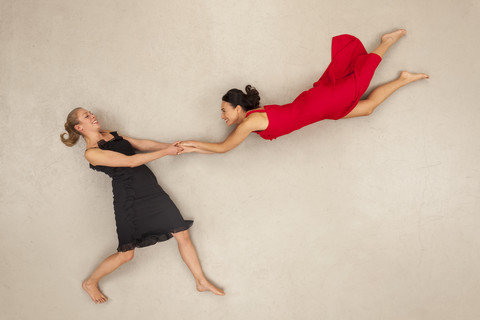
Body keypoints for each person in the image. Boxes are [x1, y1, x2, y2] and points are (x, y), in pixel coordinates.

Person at [60, 108, 225, 304]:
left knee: (181, 232)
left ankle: (201, 281)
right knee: (126, 254)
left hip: (151, 190)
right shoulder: (92, 153)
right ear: (79, 127)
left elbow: (139, 144)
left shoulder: (111, 135)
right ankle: (90, 282)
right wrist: (165, 152)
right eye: (87, 116)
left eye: (90, 113)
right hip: (129, 199)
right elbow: (131, 161)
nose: (93, 116)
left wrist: (170, 145)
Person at [177, 29, 429, 153]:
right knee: (367, 108)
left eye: (224, 111)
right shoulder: (253, 117)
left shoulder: (248, 124)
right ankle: (403, 79)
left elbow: (223, 149)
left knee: (359, 81)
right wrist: (194, 149)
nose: (222, 116)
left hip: (320, 105)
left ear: (239, 108)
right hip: (318, 109)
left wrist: (190, 145)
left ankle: (385, 43)